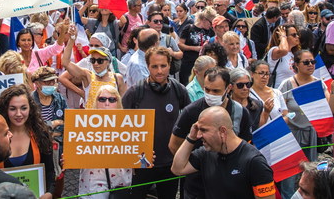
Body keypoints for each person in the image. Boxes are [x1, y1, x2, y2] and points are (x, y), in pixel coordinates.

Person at [169, 67, 252, 199]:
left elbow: (246, 145)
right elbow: (174, 145)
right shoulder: (191, 111)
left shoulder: (240, 112)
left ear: (228, 88)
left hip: (230, 183)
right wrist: (194, 164)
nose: (210, 94)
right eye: (207, 89)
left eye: (216, 91)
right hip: (198, 185)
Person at [122, 47, 190, 199]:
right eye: (154, 66)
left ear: (169, 65)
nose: (159, 71)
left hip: (170, 164)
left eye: (163, 66)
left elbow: (189, 123)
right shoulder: (134, 93)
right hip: (141, 164)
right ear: (147, 66)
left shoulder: (179, 90)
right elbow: (120, 127)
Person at [171, 106, 276, 199]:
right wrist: (191, 137)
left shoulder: (254, 162)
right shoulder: (206, 153)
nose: (199, 135)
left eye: (204, 130)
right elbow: (177, 169)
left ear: (222, 131)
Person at [278, 49, 329, 198]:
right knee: (288, 176)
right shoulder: (287, 84)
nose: (310, 65)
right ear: (296, 65)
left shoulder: (319, 84)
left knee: (310, 173)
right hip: (291, 133)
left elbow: (330, 108)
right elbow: (280, 107)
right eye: (306, 62)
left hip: (310, 132)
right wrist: (287, 115)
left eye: (313, 62)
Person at [0, 85, 56, 199]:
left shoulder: (40, 134)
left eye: (23, 108)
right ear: (5, 110)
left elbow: (50, 172)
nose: (18, 114)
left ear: (30, 109)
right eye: (12, 109)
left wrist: (49, 193)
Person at [78, 85, 132, 199]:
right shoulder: (83, 125)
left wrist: (145, 156)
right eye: (102, 99)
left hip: (120, 182)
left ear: (118, 102)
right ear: (96, 102)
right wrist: (69, 157)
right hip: (92, 185)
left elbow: (135, 154)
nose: (107, 103)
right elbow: (77, 151)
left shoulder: (130, 126)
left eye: (112, 99)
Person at [62, 27, 127, 106]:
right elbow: (65, 63)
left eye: (100, 61)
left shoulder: (118, 79)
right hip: (91, 118)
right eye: (93, 60)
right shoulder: (87, 76)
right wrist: (72, 40)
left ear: (108, 62)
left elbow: (123, 106)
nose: (96, 64)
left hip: (111, 118)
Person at [249, 60, 288, 127]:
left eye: (267, 74)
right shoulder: (248, 94)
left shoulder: (277, 93)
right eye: (261, 73)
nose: (265, 77)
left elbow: (286, 115)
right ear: (252, 74)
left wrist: (276, 126)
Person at [179, 11, 213, 87]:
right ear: (204, 19)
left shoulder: (211, 32)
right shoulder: (189, 28)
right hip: (188, 63)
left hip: (204, 65)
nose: (211, 26)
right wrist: (194, 48)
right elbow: (180, 44)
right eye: (210, 23)